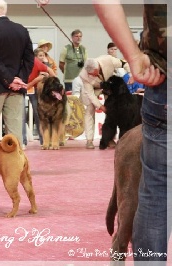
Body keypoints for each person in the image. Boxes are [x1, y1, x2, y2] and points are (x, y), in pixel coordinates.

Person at [94, 1, 168, 263]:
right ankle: (119, 252)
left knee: (153, 197)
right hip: (161, 90)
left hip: (162, 81)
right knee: (144, 198)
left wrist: (135, 56)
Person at [0, 0, 34, 146]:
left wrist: (9, 79)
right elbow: (29, 59)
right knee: (15, 131)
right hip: (16, 89)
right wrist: (18, 79)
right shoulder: (22, 29)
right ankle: (16, 165)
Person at [79, 55, 132, 149]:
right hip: (92, 90)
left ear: (98, 67)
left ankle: (109, 138)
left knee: (111, 114)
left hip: (109, 88)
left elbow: (124, 63)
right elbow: (91, 95)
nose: (93, 76)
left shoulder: (108, 60)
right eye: (90, 74)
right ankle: (89, 140)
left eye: (94, 73)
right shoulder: (83, 75)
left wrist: (131, 75)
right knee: (90, 110)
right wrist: (101, 107)